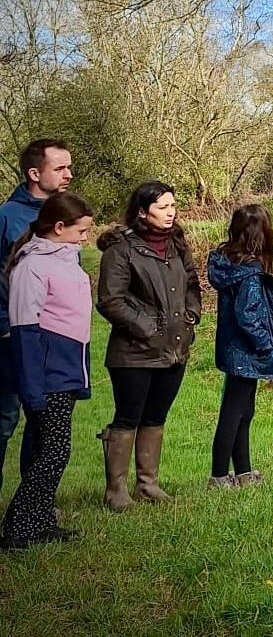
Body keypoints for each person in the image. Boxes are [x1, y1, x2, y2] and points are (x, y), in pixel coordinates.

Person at [96, 181, 202, 510]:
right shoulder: (121, 250)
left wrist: (190, 318)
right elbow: (110, 301)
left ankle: (148, 484)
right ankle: (116, 490)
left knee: (156, 416)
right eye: (162, 207)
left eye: (172, 206)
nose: (170, 213)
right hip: (133, 353)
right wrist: (146, 329)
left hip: (175, 348)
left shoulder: (177, 245)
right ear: (143, 212)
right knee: (128, 416)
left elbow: (193, 284)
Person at [1, 192, 93, 549]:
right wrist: (33, 388)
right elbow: (25, 329)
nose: (86, 237)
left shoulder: (67, 259)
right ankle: (18, 527)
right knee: (51, 453)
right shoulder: (32, 265)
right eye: (81, 230)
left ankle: (38, 523)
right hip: (46, 374)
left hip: (65, 371)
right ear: (59, 227)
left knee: (55, 451)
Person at [0, 139, 73, 497]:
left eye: (69, 167)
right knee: (3, 420)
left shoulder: (66, 215)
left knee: (43, 422)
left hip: (53, 340)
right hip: (9, 335)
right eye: (60, 168)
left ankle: (34, 507)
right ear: (34, 173)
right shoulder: (7, 218)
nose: (68, 174)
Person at [206, 204, 273, 489]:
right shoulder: (251, 274)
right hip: (247, 352)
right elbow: (250, 317)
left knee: (242, 411)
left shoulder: (230, 266)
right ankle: (218, 476)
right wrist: (267, 349)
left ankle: (243, 471)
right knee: (233, 413)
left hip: (233, 349)